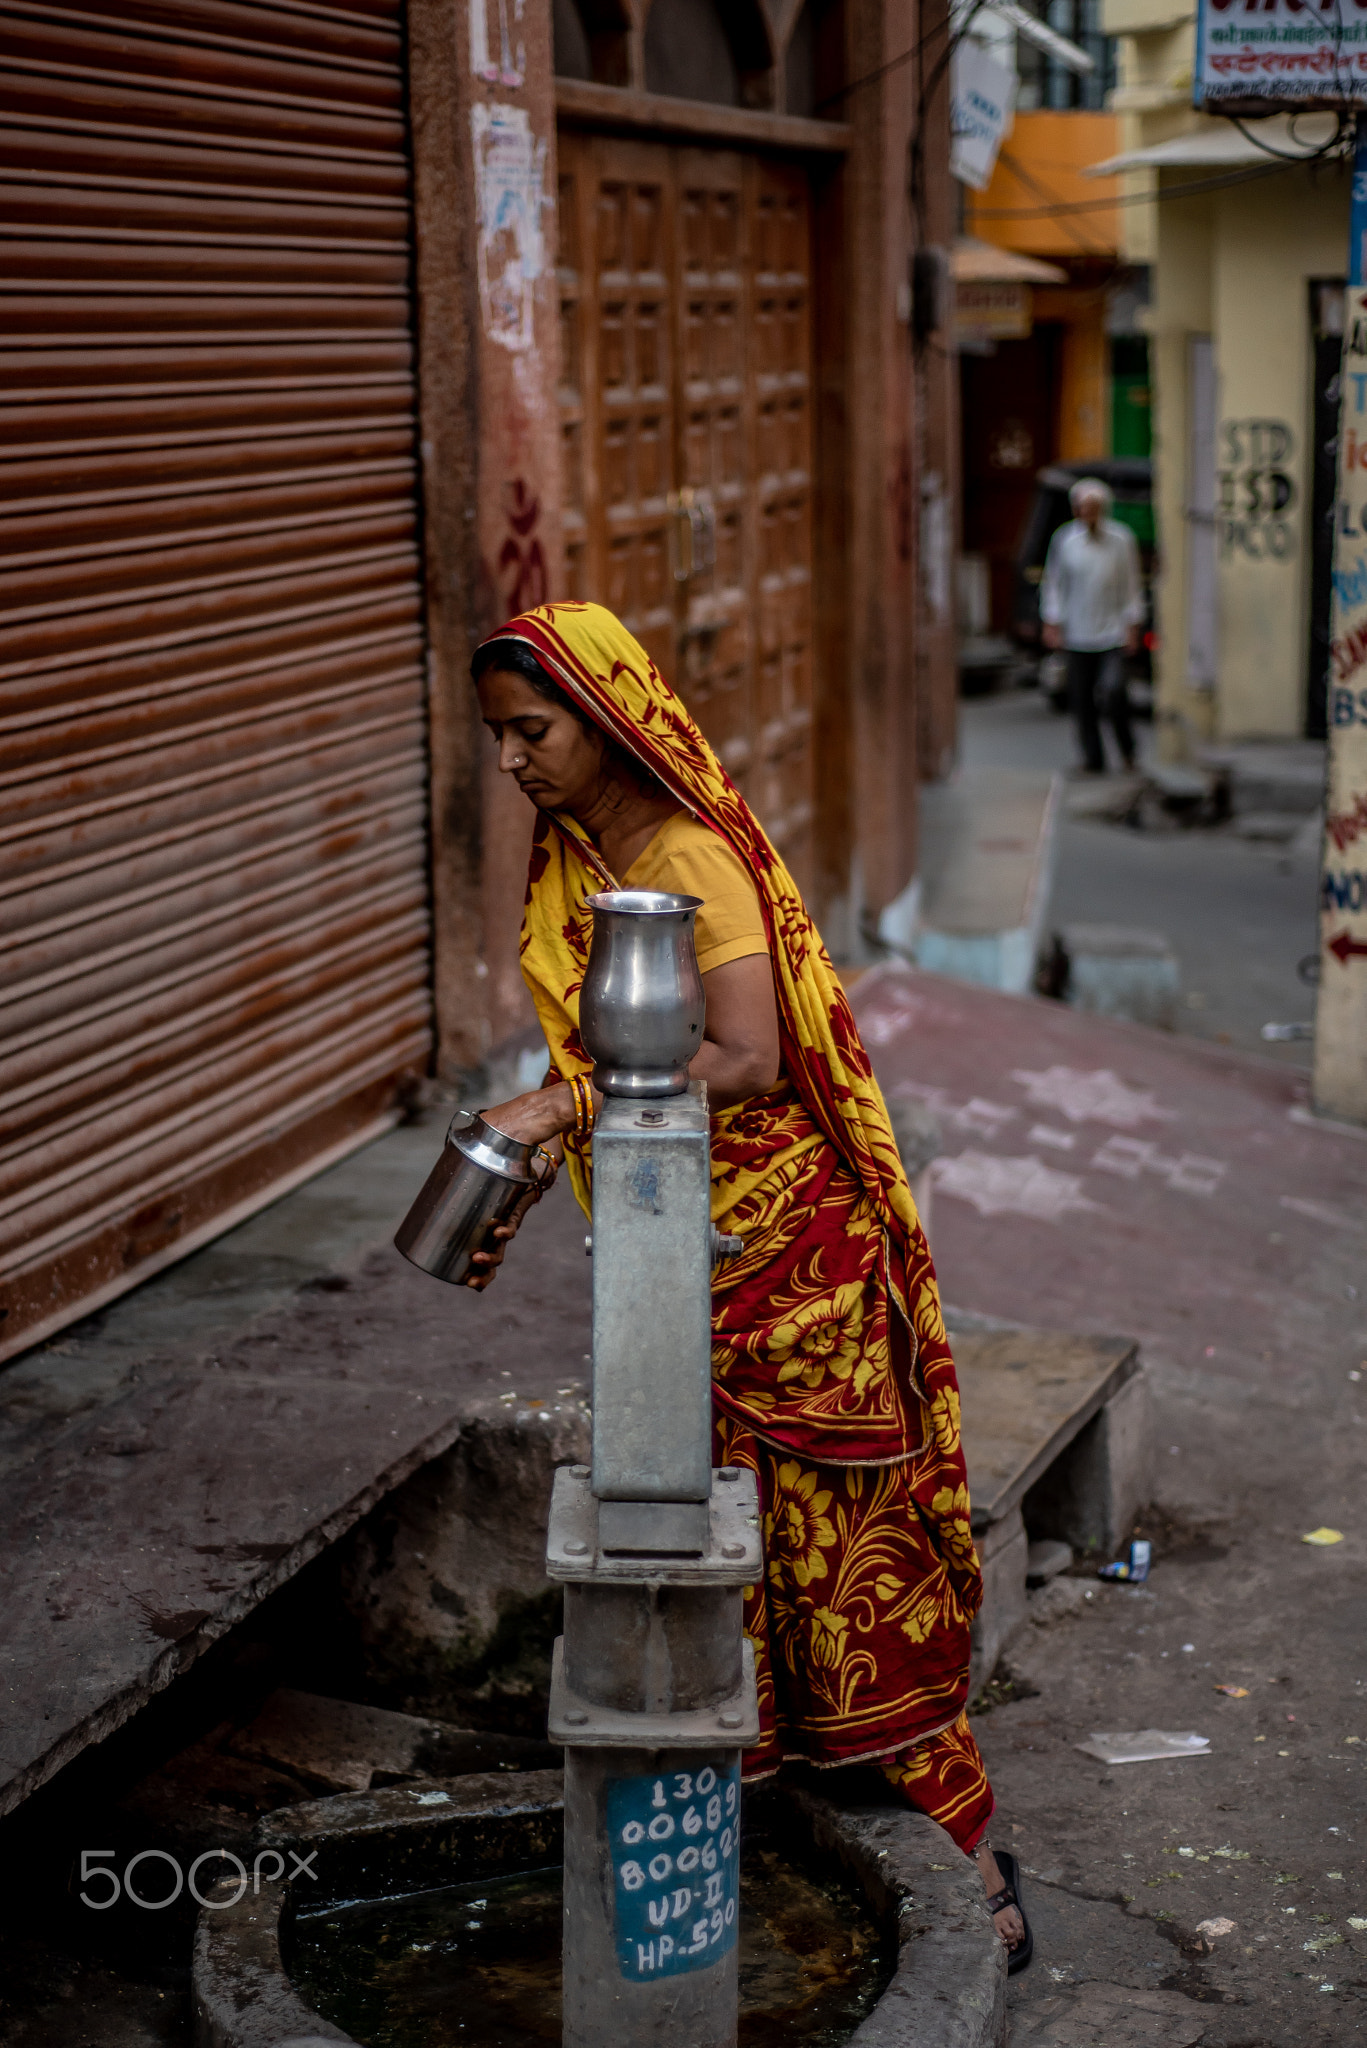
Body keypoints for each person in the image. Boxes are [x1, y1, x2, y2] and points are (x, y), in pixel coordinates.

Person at [461, 600, 1028, 1966]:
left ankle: (975, 1867)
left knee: (844, 1556)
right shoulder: (593, 854)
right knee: (730, 1544)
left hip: (788, 1258)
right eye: (496, 739)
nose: (511, 764)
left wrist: (561, 1110)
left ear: (602, 719)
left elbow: (748, 1058)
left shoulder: (686, 858)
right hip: (682, 1246)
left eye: (530, 732)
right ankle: (759, 1824)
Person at [1040, 477, 1144, 775]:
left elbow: (1131, 586)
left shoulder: (1121, 540)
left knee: (1114, 692)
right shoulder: (1065, 540)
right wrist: (1053, 621)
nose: (1087, 513)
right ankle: (1092, 759)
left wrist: (1132, 624)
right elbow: (1054, 584)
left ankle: (1128, 750)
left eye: (1093, 507)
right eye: (1082, 507)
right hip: (1078, 631)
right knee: (1081, 699)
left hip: (1111, 630)